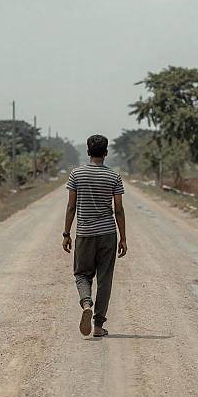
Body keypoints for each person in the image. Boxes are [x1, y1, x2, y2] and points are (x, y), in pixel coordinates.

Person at [62, 134, 127, 337]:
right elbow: (118, 209)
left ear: (88, 152)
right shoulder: (114, 177)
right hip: (108, 234)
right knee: (105, 279)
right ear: (106, 153)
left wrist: (66, 233)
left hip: (85, 234)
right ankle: (98, 326)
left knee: (82, 274)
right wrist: (123, 238)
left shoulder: (76, 174)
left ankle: (86, 303)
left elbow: (71, 206)